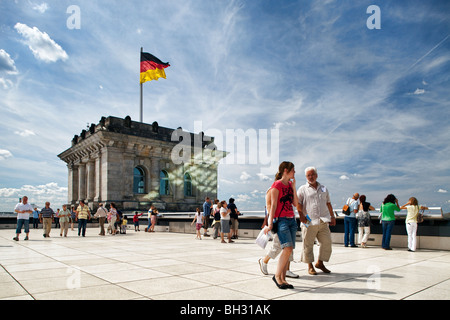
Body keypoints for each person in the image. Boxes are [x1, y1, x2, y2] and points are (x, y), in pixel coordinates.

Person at [264, 161, 299, 289]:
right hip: (282, 220)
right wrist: (270, 224)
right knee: (287, 248)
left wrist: (294, 187)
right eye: (293, 170)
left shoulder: (290, 185)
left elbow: (295, 203)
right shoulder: (276, 185)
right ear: (286, 170)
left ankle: (283, 279)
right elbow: (272, 206)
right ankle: (277, 277)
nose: (294, 172)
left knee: (288, 251)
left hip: (292, 220)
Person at [297, 166, 335, 275]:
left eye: (312, 174)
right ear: (306, 177)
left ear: (316, 175)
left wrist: (332, 216)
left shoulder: (323, 188)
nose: (310, 177)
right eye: (308, 175)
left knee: (327, 242)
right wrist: (301, 216)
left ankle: (320, 263)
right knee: (308, 244)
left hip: (323, 220)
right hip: (309, 220)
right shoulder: (302, 189)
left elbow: (328, 203)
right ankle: (310, 266)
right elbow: (298, 204)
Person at [258, 187, 299, 279]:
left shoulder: (289, 189)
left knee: (290, 246)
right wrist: (271, 222)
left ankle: (287, 269)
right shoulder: (272, 189)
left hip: (290, 220)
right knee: (277, 246)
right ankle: (264, 261)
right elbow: (269, 206)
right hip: (279, 221)